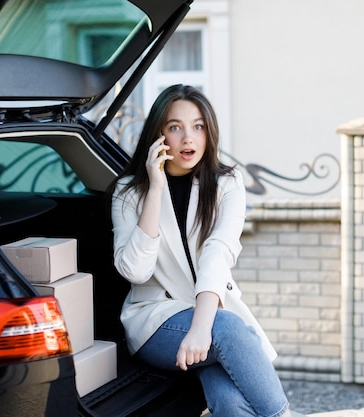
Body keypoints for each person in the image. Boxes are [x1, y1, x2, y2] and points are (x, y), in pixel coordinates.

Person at [111, 84, 291, 417]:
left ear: (209, 133)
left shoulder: (227, 183)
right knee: (230, 330)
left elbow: (217, 254)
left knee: (229, 403)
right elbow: (135, 270)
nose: (187, 138)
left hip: (207, 312)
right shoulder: (128, 192)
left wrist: (200, 329)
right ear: (159, 134)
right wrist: (154, 187)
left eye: (198, 126)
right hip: (155, 319)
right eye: (175, 127)